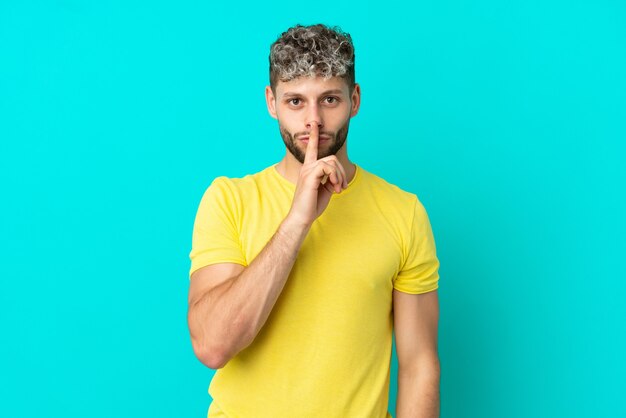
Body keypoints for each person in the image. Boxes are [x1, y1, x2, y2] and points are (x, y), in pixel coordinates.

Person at [187, 23, 441, 418]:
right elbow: (212, 345)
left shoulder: (403, 212)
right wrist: (297, 221)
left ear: (354, 100)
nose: (313, 121)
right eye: (295, 102)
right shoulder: (229, 200)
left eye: (329, 99)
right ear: (271, 102)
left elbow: (419, 365)